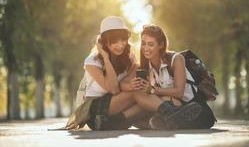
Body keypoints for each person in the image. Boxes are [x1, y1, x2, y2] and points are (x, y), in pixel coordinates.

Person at [65, 16, 202, 130]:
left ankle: (114, 123)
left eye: (123, 39)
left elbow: (126, 84)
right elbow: (113, 88)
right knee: (139, 93)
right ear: (104, 42)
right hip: (96, 110)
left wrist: (136, 85)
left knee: (145, 99)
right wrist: (106, 58)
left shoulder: (128, 59)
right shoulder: (92, 61)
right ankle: (171, 113)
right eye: (114, 41)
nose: (120, 45)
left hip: (113, 112)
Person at [140, 25, 216, 129]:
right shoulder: (146, 67)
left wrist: (153, 90)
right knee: (149, 100)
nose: (146, 48)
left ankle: (162, 121)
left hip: (197, 110)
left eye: (151, 44)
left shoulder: (176, 59)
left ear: (161, 45)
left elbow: (179, 92)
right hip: (175, 107)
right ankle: (165, 121)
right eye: (143, 43)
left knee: (161, 99)